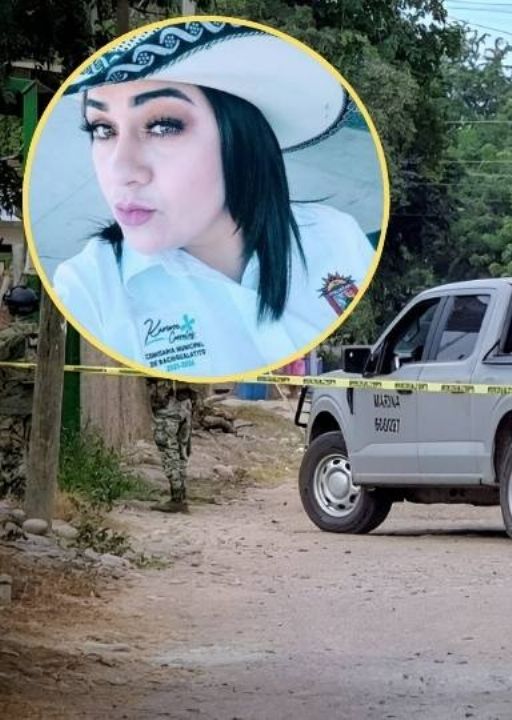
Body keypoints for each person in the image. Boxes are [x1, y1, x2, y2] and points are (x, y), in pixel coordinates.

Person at [46, 20, 377, 378]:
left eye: (163, 126)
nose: (121, 169)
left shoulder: (336, 237)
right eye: (102, 129)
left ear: (241, 139)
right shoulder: (88, 289)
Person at [0, 286, 37, 498]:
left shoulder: (9, 336)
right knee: (34, 452)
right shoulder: (46, 332)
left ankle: (12, 498)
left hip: (10, 406)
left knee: (9, 454)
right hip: (39, 405)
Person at [147, 377, 195, 513]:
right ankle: (181, 497)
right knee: (181, 452)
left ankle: (177, 499)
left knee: (170, 452)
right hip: (185, 401)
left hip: (168, 404)